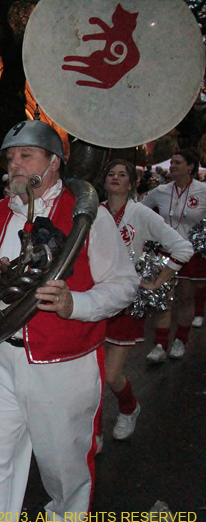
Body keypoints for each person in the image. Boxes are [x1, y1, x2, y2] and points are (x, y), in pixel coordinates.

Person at [0, 120, 138, 522]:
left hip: (61, 363)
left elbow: (124, 284)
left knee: (63, 465)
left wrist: (77, 304)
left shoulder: (89, 216)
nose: (14, 165)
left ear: (54, 163)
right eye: (10, 157)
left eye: (26, 155)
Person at [98, 160, 192, 448]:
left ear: (132, 183)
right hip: (94, 300)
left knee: (110, 375)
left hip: (125, 303)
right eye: (111, 174)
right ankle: (94, 434)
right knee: (90, 377)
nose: (116, 178)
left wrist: (157, 281)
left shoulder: (140, 213)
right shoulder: (94, 212)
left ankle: (129, 408)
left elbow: (182, 248)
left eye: (122, 174)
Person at [141, 149, 206, 361]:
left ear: (191, 167)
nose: (173, 166)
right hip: (164, 252)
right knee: (164, 300)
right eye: (172, 163)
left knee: (186, 298)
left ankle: (180, 340)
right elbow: (140, 211)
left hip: (190, 254)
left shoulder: (202, 190)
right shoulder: (160, 191)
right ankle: (160, 344)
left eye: (178, 163)